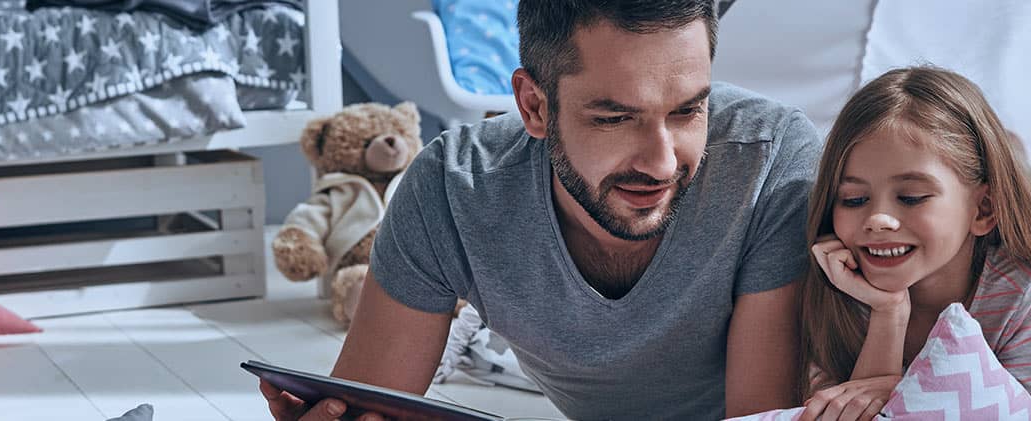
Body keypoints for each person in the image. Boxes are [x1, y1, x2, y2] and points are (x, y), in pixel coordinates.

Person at [260, 0, 823, 419]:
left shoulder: (771, 166)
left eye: (687, 111)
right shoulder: (452, 189)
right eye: (614, 118)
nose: (660, 162)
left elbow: (762, 415)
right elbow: (367, 401)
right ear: (534, 106)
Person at [793, 66, 1031, 421]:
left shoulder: (1024, 300)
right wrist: (887, 312)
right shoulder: (834, 290)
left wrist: (896, 389)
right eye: (855, 199)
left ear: (983, 209)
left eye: (911, 197)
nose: (878, 220)